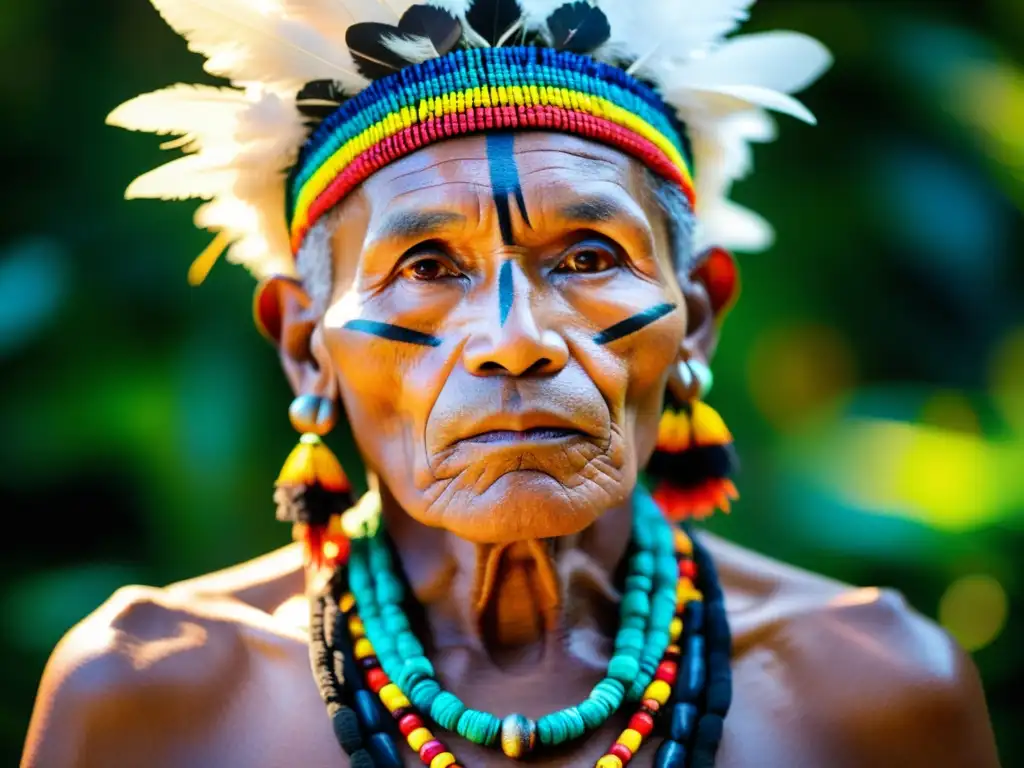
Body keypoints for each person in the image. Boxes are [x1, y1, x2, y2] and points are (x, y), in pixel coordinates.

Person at [21, 1, 1001, 766]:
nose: (513, 341)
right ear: (303, 343)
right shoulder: (150, 697)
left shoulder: (876, 694)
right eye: (427, 267)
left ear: (697, 310)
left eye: (584, 255)